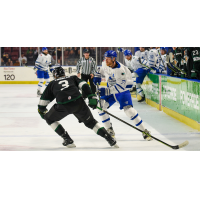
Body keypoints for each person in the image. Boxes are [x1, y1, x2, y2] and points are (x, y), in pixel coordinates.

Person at [38, 66, 118, 148]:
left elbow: (43, 102)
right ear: (64, 73)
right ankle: (110, 139)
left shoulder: (52, 83)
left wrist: (41, 110)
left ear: (54, 75)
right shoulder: (72, 78)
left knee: (49, 118)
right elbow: (85, 86)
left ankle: (67, 139)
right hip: (78, 102)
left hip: (63, 105)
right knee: (91, 122)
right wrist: (91, 97)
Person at [93, 50, 152, 141]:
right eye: (105, 58)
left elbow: (120, 87)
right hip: (111, 89)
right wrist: (97, 75)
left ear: (114, 59)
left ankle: (144, 131)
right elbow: (101, 69)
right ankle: (110, 130)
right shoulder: (105, 63)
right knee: (100, 106)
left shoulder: (121, 71)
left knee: (129, 111)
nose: (106, 60)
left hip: (122, 91)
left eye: (108, 59)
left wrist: (106, 91)